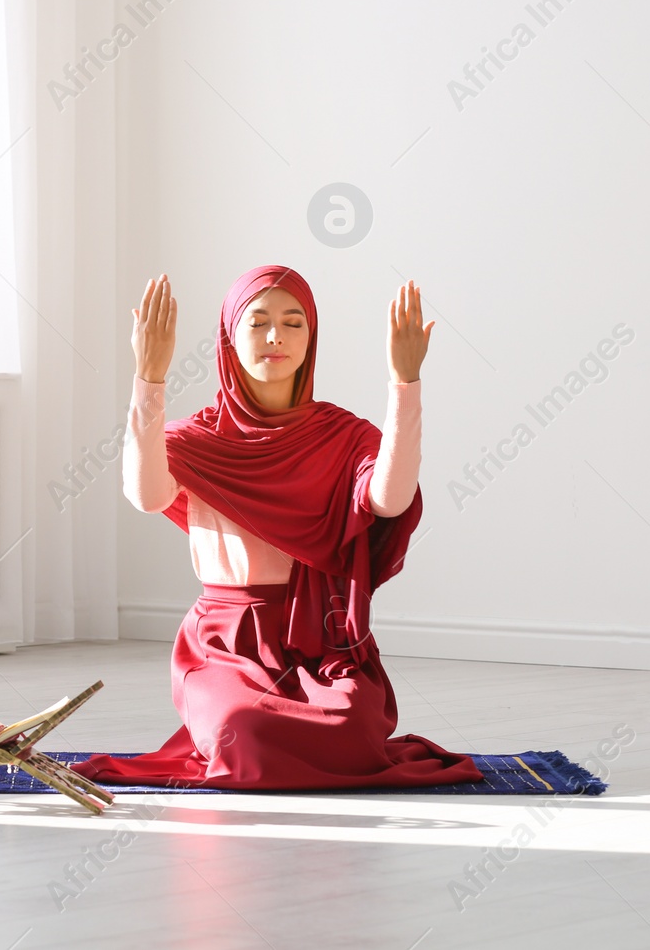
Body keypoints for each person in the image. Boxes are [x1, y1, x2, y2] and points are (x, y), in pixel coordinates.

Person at [70, 265, 484, 790]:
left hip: (320, 642)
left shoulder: (343, 435)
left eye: (293, 323)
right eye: (258, 321)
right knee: (240, 732)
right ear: (228, 337)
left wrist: (405, 384)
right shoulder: (194, 437)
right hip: (226, 643)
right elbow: (146, 495)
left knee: (354, 730)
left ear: (311, 338)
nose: (275, 337)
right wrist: (149, 378)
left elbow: (388, 500)